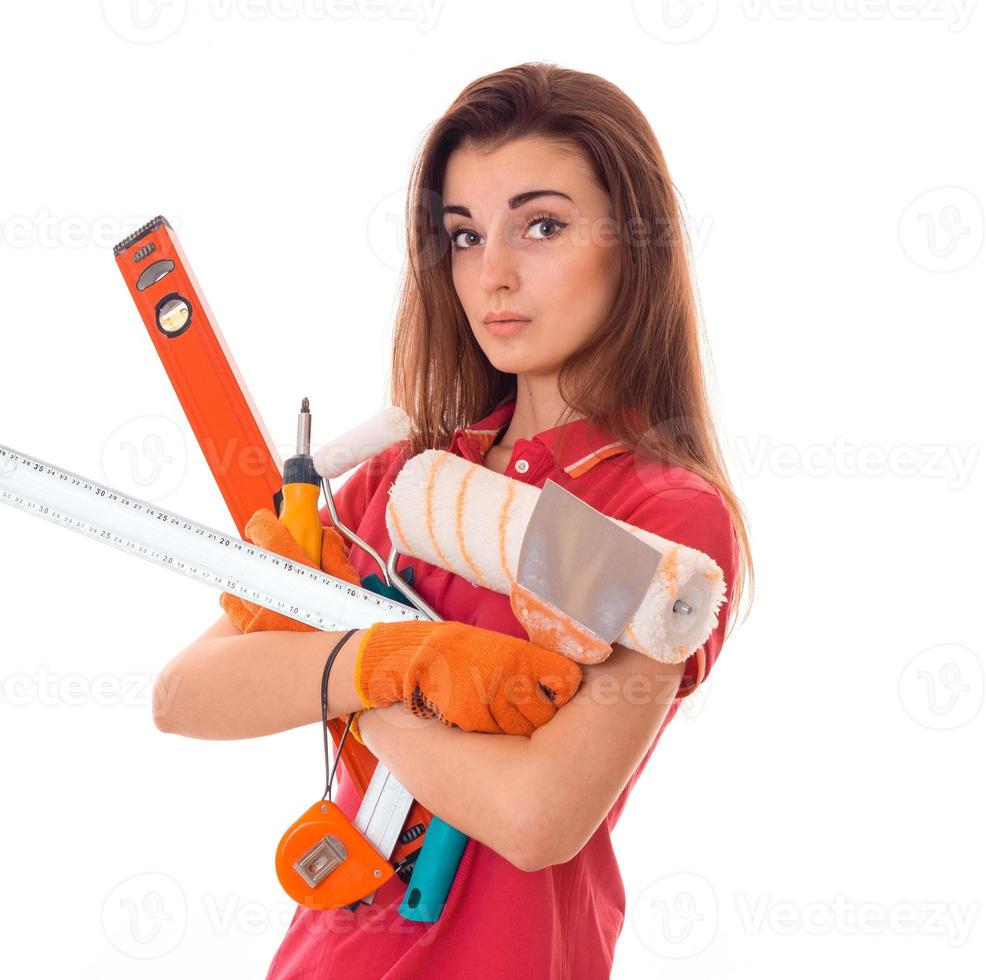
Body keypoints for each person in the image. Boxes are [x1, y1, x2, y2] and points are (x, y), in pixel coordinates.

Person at [153, 61, 754, 979]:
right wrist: (384, 657)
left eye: (541, 226)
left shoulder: (665, 524)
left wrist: (346, 677)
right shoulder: (409, 480)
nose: (495, 273)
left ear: (634, 244)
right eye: (465, 236)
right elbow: (185, 693)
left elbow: (536, 820)